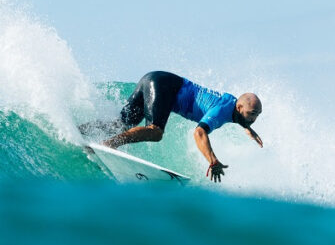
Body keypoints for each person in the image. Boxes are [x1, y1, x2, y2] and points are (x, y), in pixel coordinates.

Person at [80, 71, 263, 183]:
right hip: (165, 86)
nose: (254, 118)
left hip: (155, 78)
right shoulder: (221, 111)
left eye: (257, 115)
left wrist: (247, 126)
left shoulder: (233, 104)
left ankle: (79, 130)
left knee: (120, 125)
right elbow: (199, 132)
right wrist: (212, 160)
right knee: (156, 131)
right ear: (239, 108)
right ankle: (109, 144)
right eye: (252, 114)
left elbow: (238, 113)